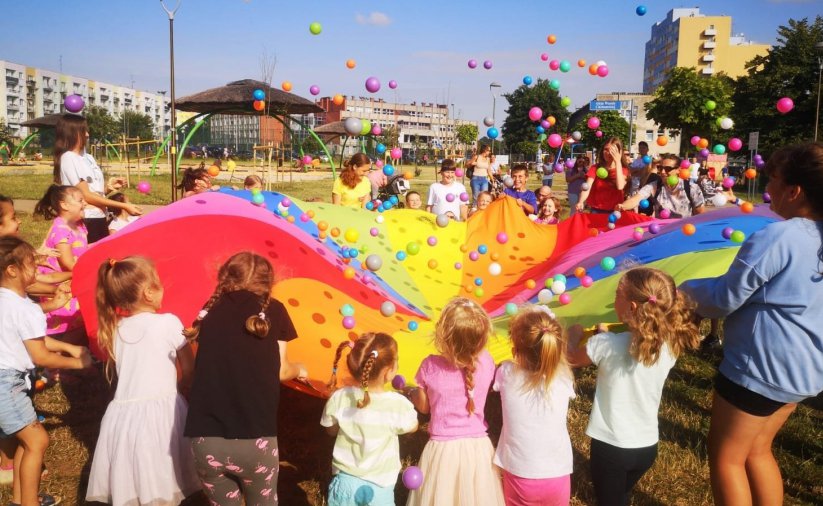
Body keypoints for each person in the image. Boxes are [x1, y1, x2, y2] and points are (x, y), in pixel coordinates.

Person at [679, 143, 823, 506]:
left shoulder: (779, 237)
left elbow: (725, 298)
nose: (765, 187)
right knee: (758, 451)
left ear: (795, 191)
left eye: (773, 179)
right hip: (804, 374)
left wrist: (685, 291)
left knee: (726, 457)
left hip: (758, 371)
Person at [567, 267, 700, 506]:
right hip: (646, 447)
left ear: (632, 307)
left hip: (611, 450)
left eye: (617, 293)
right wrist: (605, 333)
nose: (612, 299)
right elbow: (630, 345)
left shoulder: (605, 345)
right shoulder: (670, 344)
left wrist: (573, 335)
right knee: (621, 494)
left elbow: (571, 359)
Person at [184, 252, 307, 506]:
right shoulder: (275, 310)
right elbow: (282, 371)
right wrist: (300, 369)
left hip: (205, 443)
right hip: (256, 442)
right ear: (269, 282)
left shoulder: (210, 309)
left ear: (225, 277)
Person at [86, 256, 200, 505]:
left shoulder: (114, 329)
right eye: (158, 284)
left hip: (122, 416)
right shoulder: (169, 322)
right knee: (163, 468)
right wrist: (182, 388)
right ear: (149, 292)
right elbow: (189, 370)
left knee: (136, 471)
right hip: (162, 412)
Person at [0, 236, 93, 506]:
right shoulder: (25, 308)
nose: (37, 271)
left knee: (26, 443)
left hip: (8, 381)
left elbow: (31, 337)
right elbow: (40, 353)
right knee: (37, 441)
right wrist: (78, 363)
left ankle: (22, 499)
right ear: (12, 270)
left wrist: (72, 349)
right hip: (7, 383)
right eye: (32, 265)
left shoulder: (9, 302)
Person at [406, 297, 505, 506]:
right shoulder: (487, 361)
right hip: (478, 448)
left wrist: (412, 392)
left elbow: (424, 407)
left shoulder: (430, 366)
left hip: (443, 450)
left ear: (443, 336)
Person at [322, 333, 418, 505]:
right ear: (389, 372)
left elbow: (330, 430)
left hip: (345, 483)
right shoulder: (397, 405)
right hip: (379, 488)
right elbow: (413, 426)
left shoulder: (340, 397)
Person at [494, 306, 575, 506]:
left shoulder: (506, 373)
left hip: (520, 474)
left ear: (515, 351)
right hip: (558, 475)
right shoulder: (564, 378)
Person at [53, 114, 142, 243]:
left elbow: (93, 193)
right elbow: (86, 195)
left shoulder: (88, 158)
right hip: (87, 220)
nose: (88, 135)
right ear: (73, 133)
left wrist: (107, 189)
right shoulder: (69, 158)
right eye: (84, 131)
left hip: (100, 217)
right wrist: (124, 206)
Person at [34, 185, 89, 341]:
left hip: (75, 280)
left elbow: (83, 248)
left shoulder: (79, 225)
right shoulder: (61, 229)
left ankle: (69, 356)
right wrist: (90, 271)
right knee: (65, 324)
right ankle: (57, 360)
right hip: (61, 285)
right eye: (80, 200)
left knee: (78, 321)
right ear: (65, 205)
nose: (85, 203)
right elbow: (67, 262)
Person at [618, 154, 705, 218]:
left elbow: (700, 214)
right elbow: (636, 199)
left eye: (668, 169)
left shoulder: (691, 188)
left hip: (683, 232)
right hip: (662, 233)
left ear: (678, 170)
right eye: (660, 168)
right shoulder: (654, 186)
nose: (663, 172)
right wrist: (622, 206)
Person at [576, 138, 628, 214]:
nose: (608, 153)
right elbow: (587, 187)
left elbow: (620, 186)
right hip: (597, 209)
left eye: (612, 150)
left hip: (615, 210)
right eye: (606, 149)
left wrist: (618, 162)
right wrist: (581, 202)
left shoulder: (623, 170)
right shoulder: (595, 168)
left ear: (619, 152)